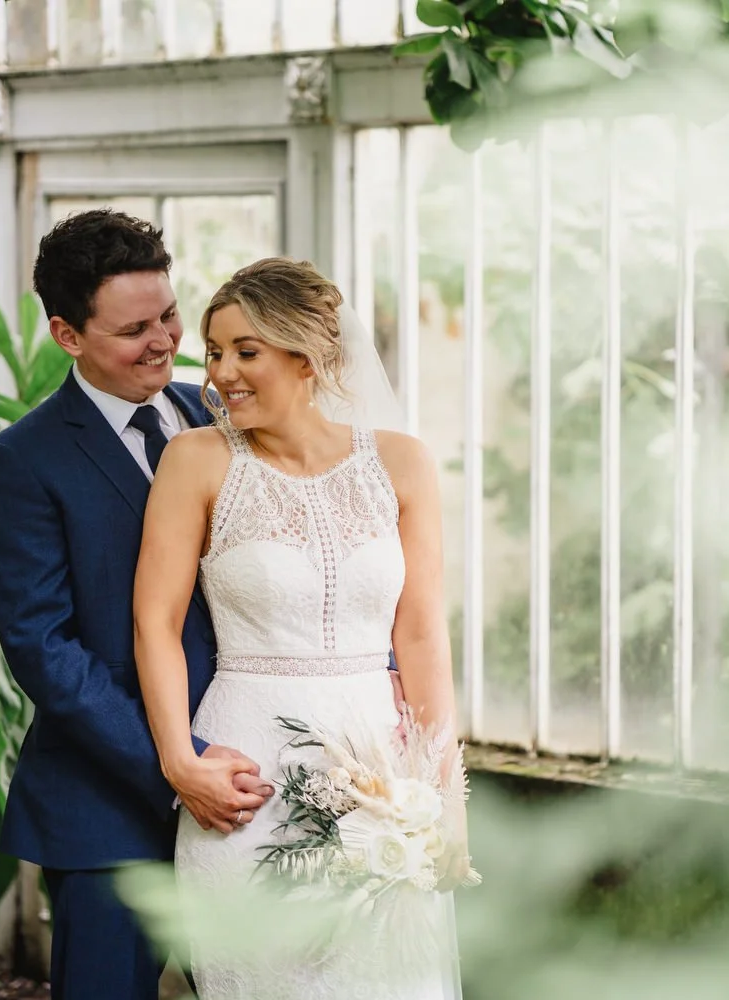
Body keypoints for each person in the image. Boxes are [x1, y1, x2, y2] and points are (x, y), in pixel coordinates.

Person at [132, 257, 468, 999]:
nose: (220, 374)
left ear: (308, 355)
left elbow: (420, 637)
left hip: (384, 779)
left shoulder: (404, 463)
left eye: (245, 351)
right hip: (244, 777)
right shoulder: (195, 461)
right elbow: (153, 627)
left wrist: (445, 799)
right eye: (214, 353)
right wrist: (179, 763)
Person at [0, 210, 275, 1000]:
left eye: (170, 315)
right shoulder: (19, 463)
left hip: (256, 785)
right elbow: (45, 649)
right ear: (68, 336)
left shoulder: (222, 414)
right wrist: (179, 766)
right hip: (109, 808)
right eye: (133, 328)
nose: (164, 341)